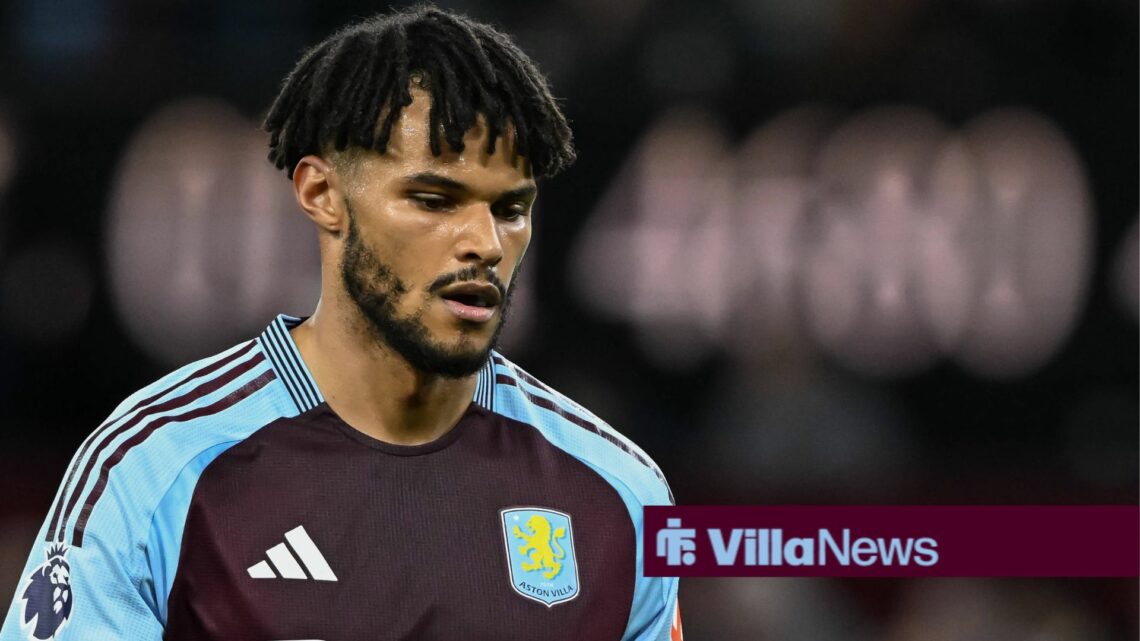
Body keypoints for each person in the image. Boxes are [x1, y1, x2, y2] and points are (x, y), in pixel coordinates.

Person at [1, 5, 680, 641]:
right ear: (322, 194)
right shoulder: (154, 466)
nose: (485, 242)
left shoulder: (622, 494)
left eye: (509, 208)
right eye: (434, 198)